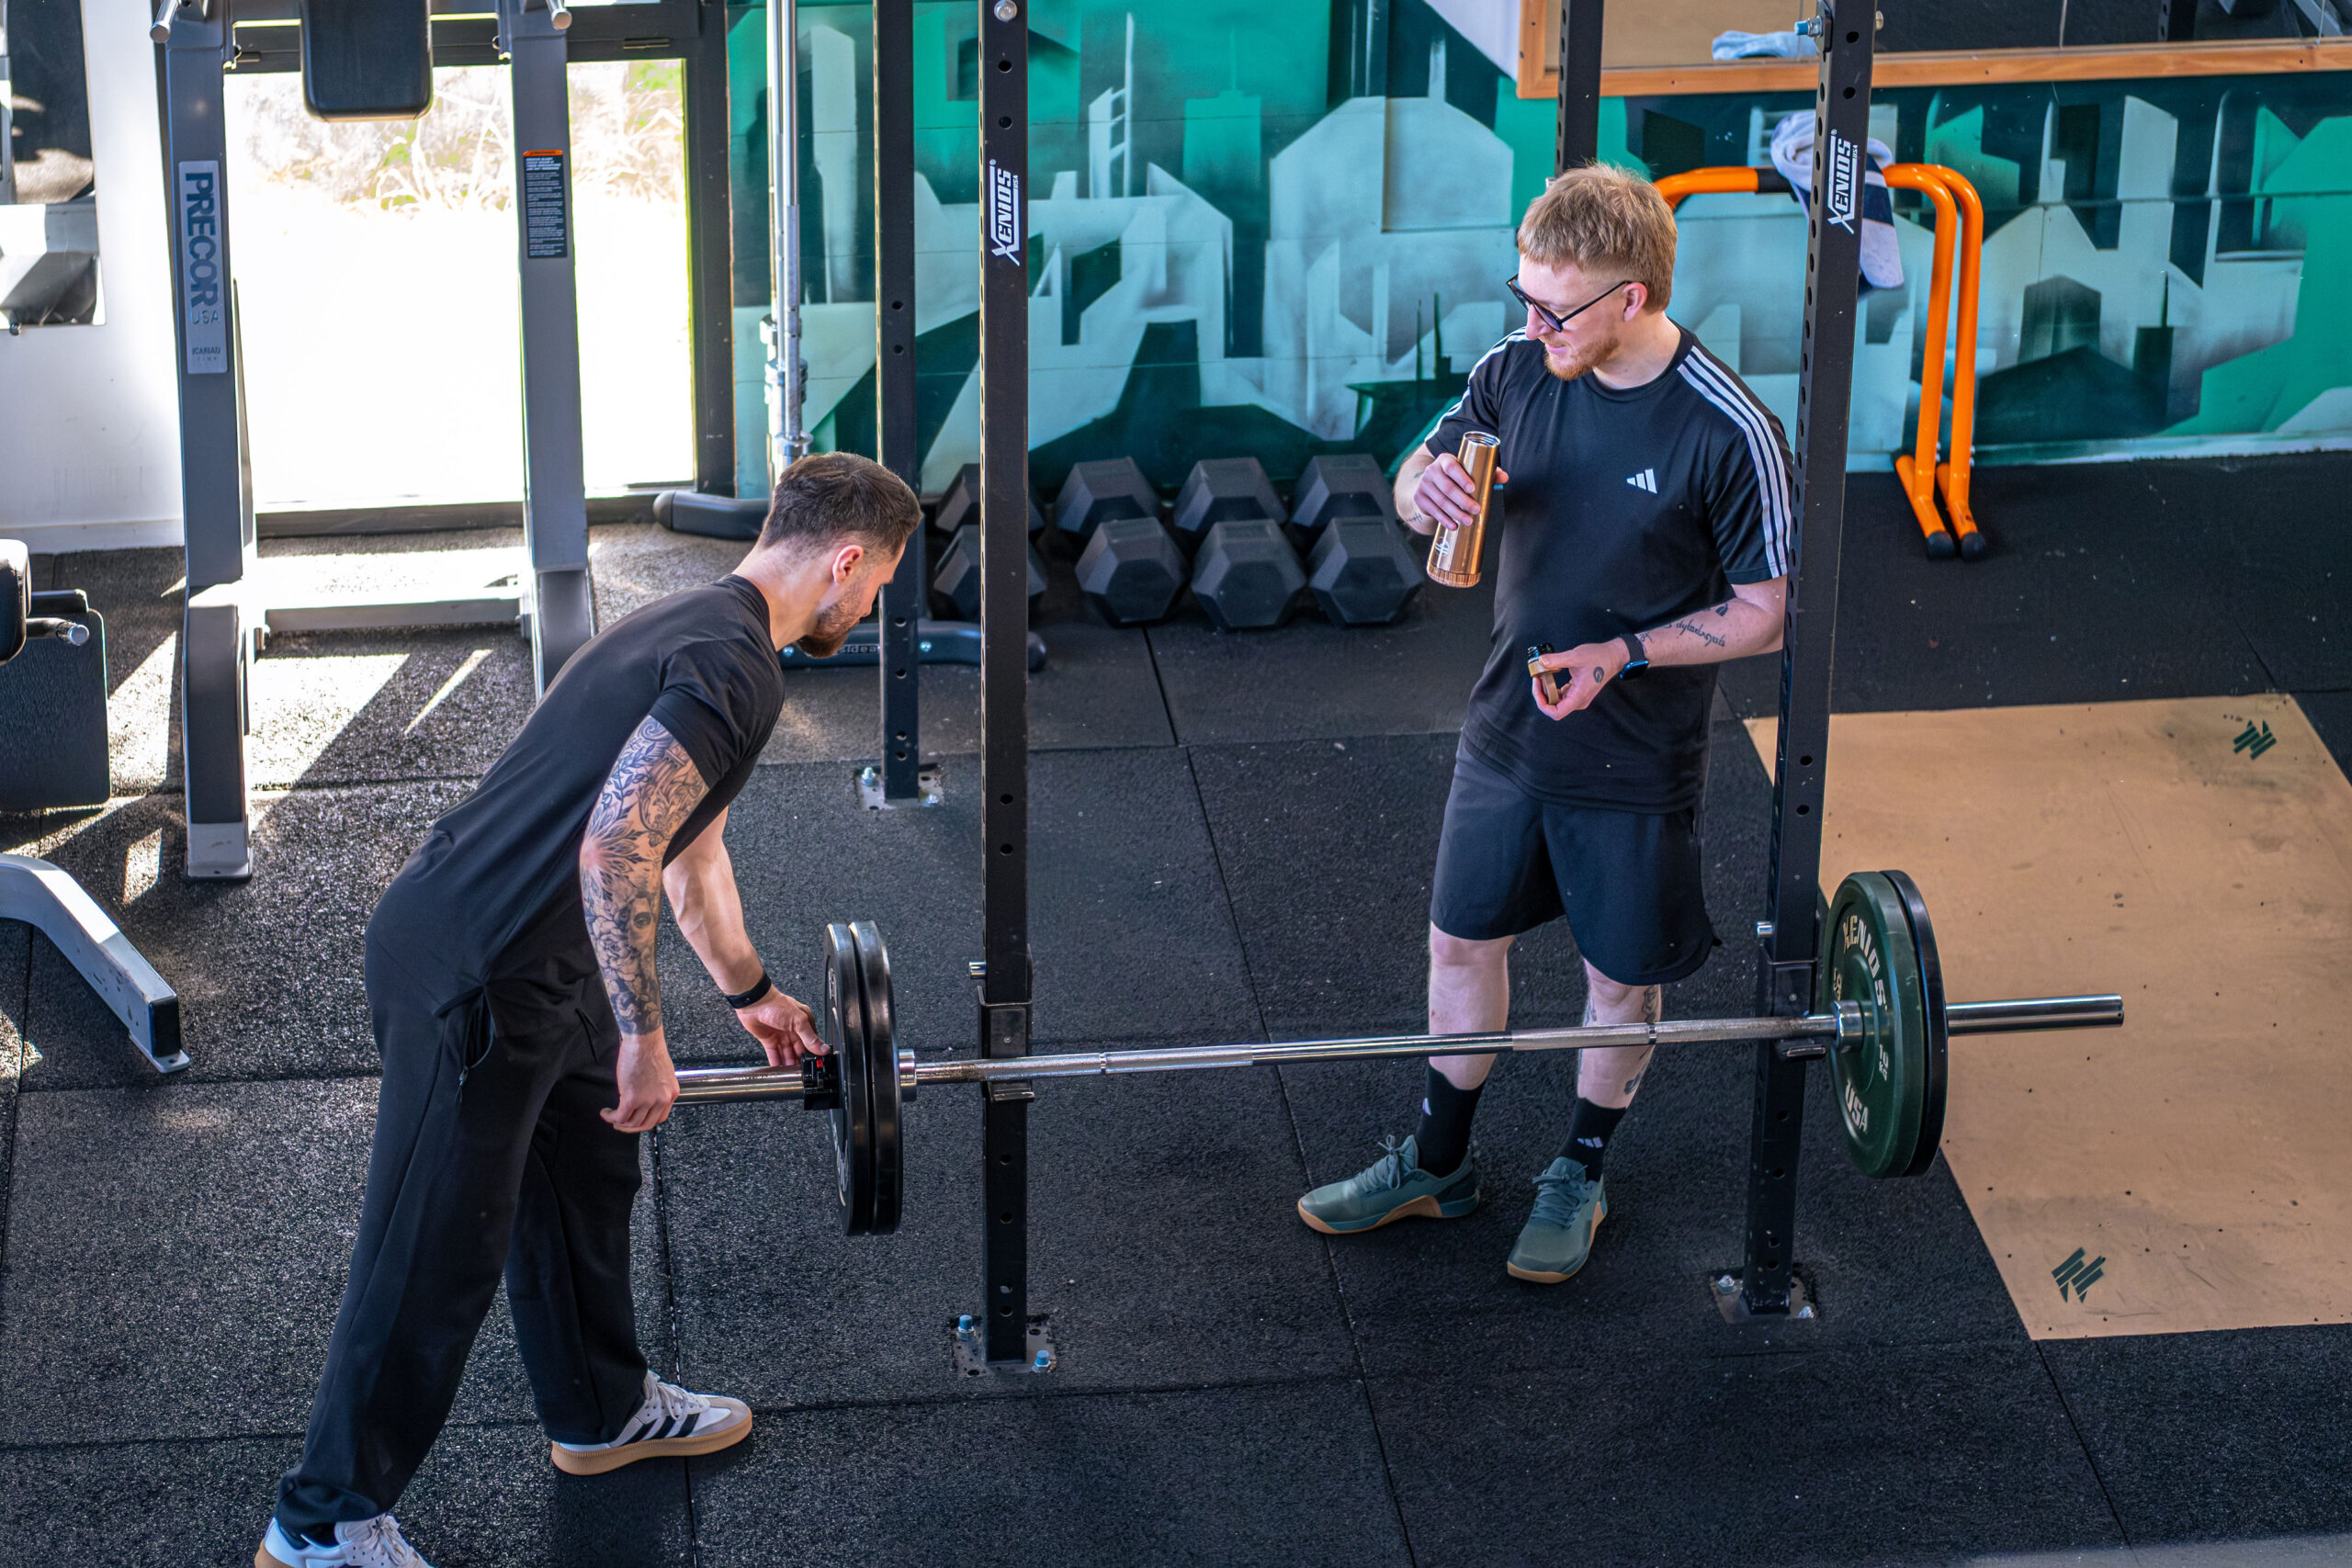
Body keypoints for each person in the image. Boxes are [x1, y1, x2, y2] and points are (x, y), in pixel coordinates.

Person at [258, 453, 919, 1568]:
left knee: (584, 1173)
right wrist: (649, 1043)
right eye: (882, 584)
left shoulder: (701, 625)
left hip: (536, 965)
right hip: (474, 971)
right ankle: (319, 1525)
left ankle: (600, 1412)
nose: (872, 606)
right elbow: (616, 843)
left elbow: (685, 846)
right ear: (847, 559)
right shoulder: (732, 665)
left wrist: (749, 991)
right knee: (432, 1255)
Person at [1296, 164, 1794, 1285]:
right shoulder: (1516, 368)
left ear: (1633, 297)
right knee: (1459, 942)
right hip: (1503, 732)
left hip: (1636, 757)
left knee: (1616, 982)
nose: (1531, 323)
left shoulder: (1729, 427)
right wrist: (1416, 484)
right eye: (1521, 296)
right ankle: (1438, 1159)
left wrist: (1619, 655)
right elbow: (1422, 458)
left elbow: (1769, 612)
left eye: (1554, 307)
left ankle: (1578, 1168)